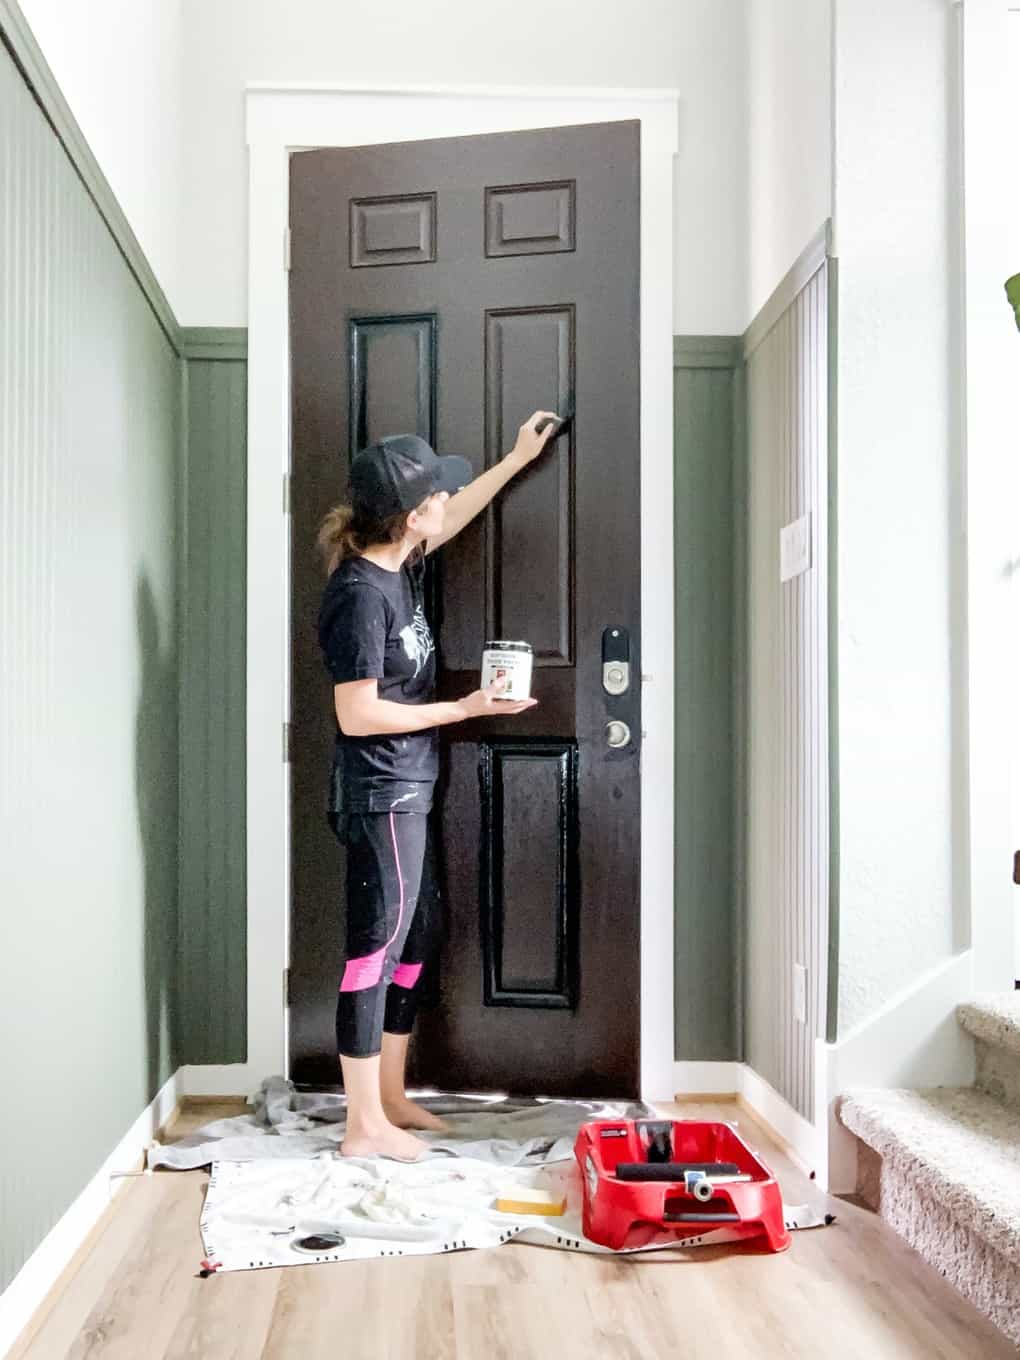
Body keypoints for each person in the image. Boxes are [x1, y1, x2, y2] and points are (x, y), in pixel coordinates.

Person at [317, 411, 561, 1161]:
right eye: (433, 496)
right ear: (407, 514)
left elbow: (457, 514)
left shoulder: (398, 558)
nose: (441, 505)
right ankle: (362, 1127)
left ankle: (390, 1098)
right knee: (375, 949)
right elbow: (356, 715)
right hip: (380, 791)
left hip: (411, 786)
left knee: (415, 936)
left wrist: (516, 459)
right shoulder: (361, 595)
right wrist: (465, 709)